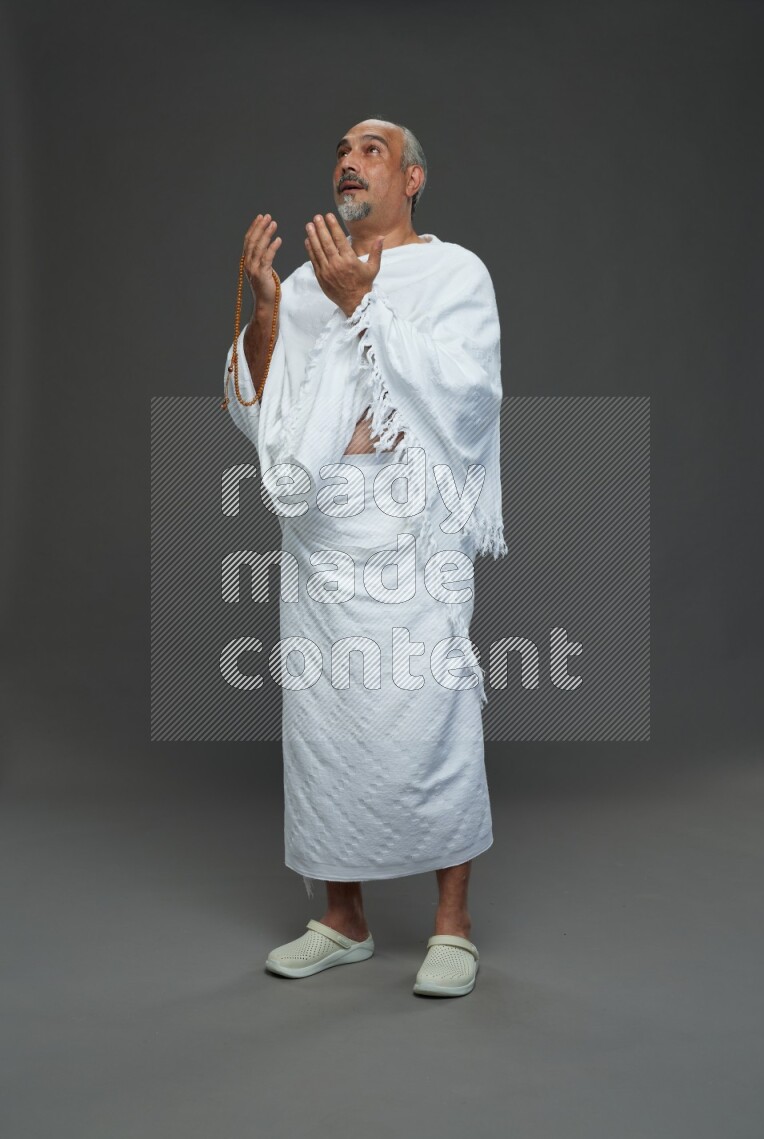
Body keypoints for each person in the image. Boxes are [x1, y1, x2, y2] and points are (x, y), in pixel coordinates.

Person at [222, 117, 507, 997]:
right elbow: (258, 414)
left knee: (433, 708)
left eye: (372, 149)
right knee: (325, 724)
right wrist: (268, 315)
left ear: (413, 178)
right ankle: (341, 917)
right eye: (342, 151)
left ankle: (451, 927)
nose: (349, 161)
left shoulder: (455, 273)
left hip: (412, 530)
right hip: (322, 538)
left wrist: (363, 304)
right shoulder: (306, 283)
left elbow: (470, 396)